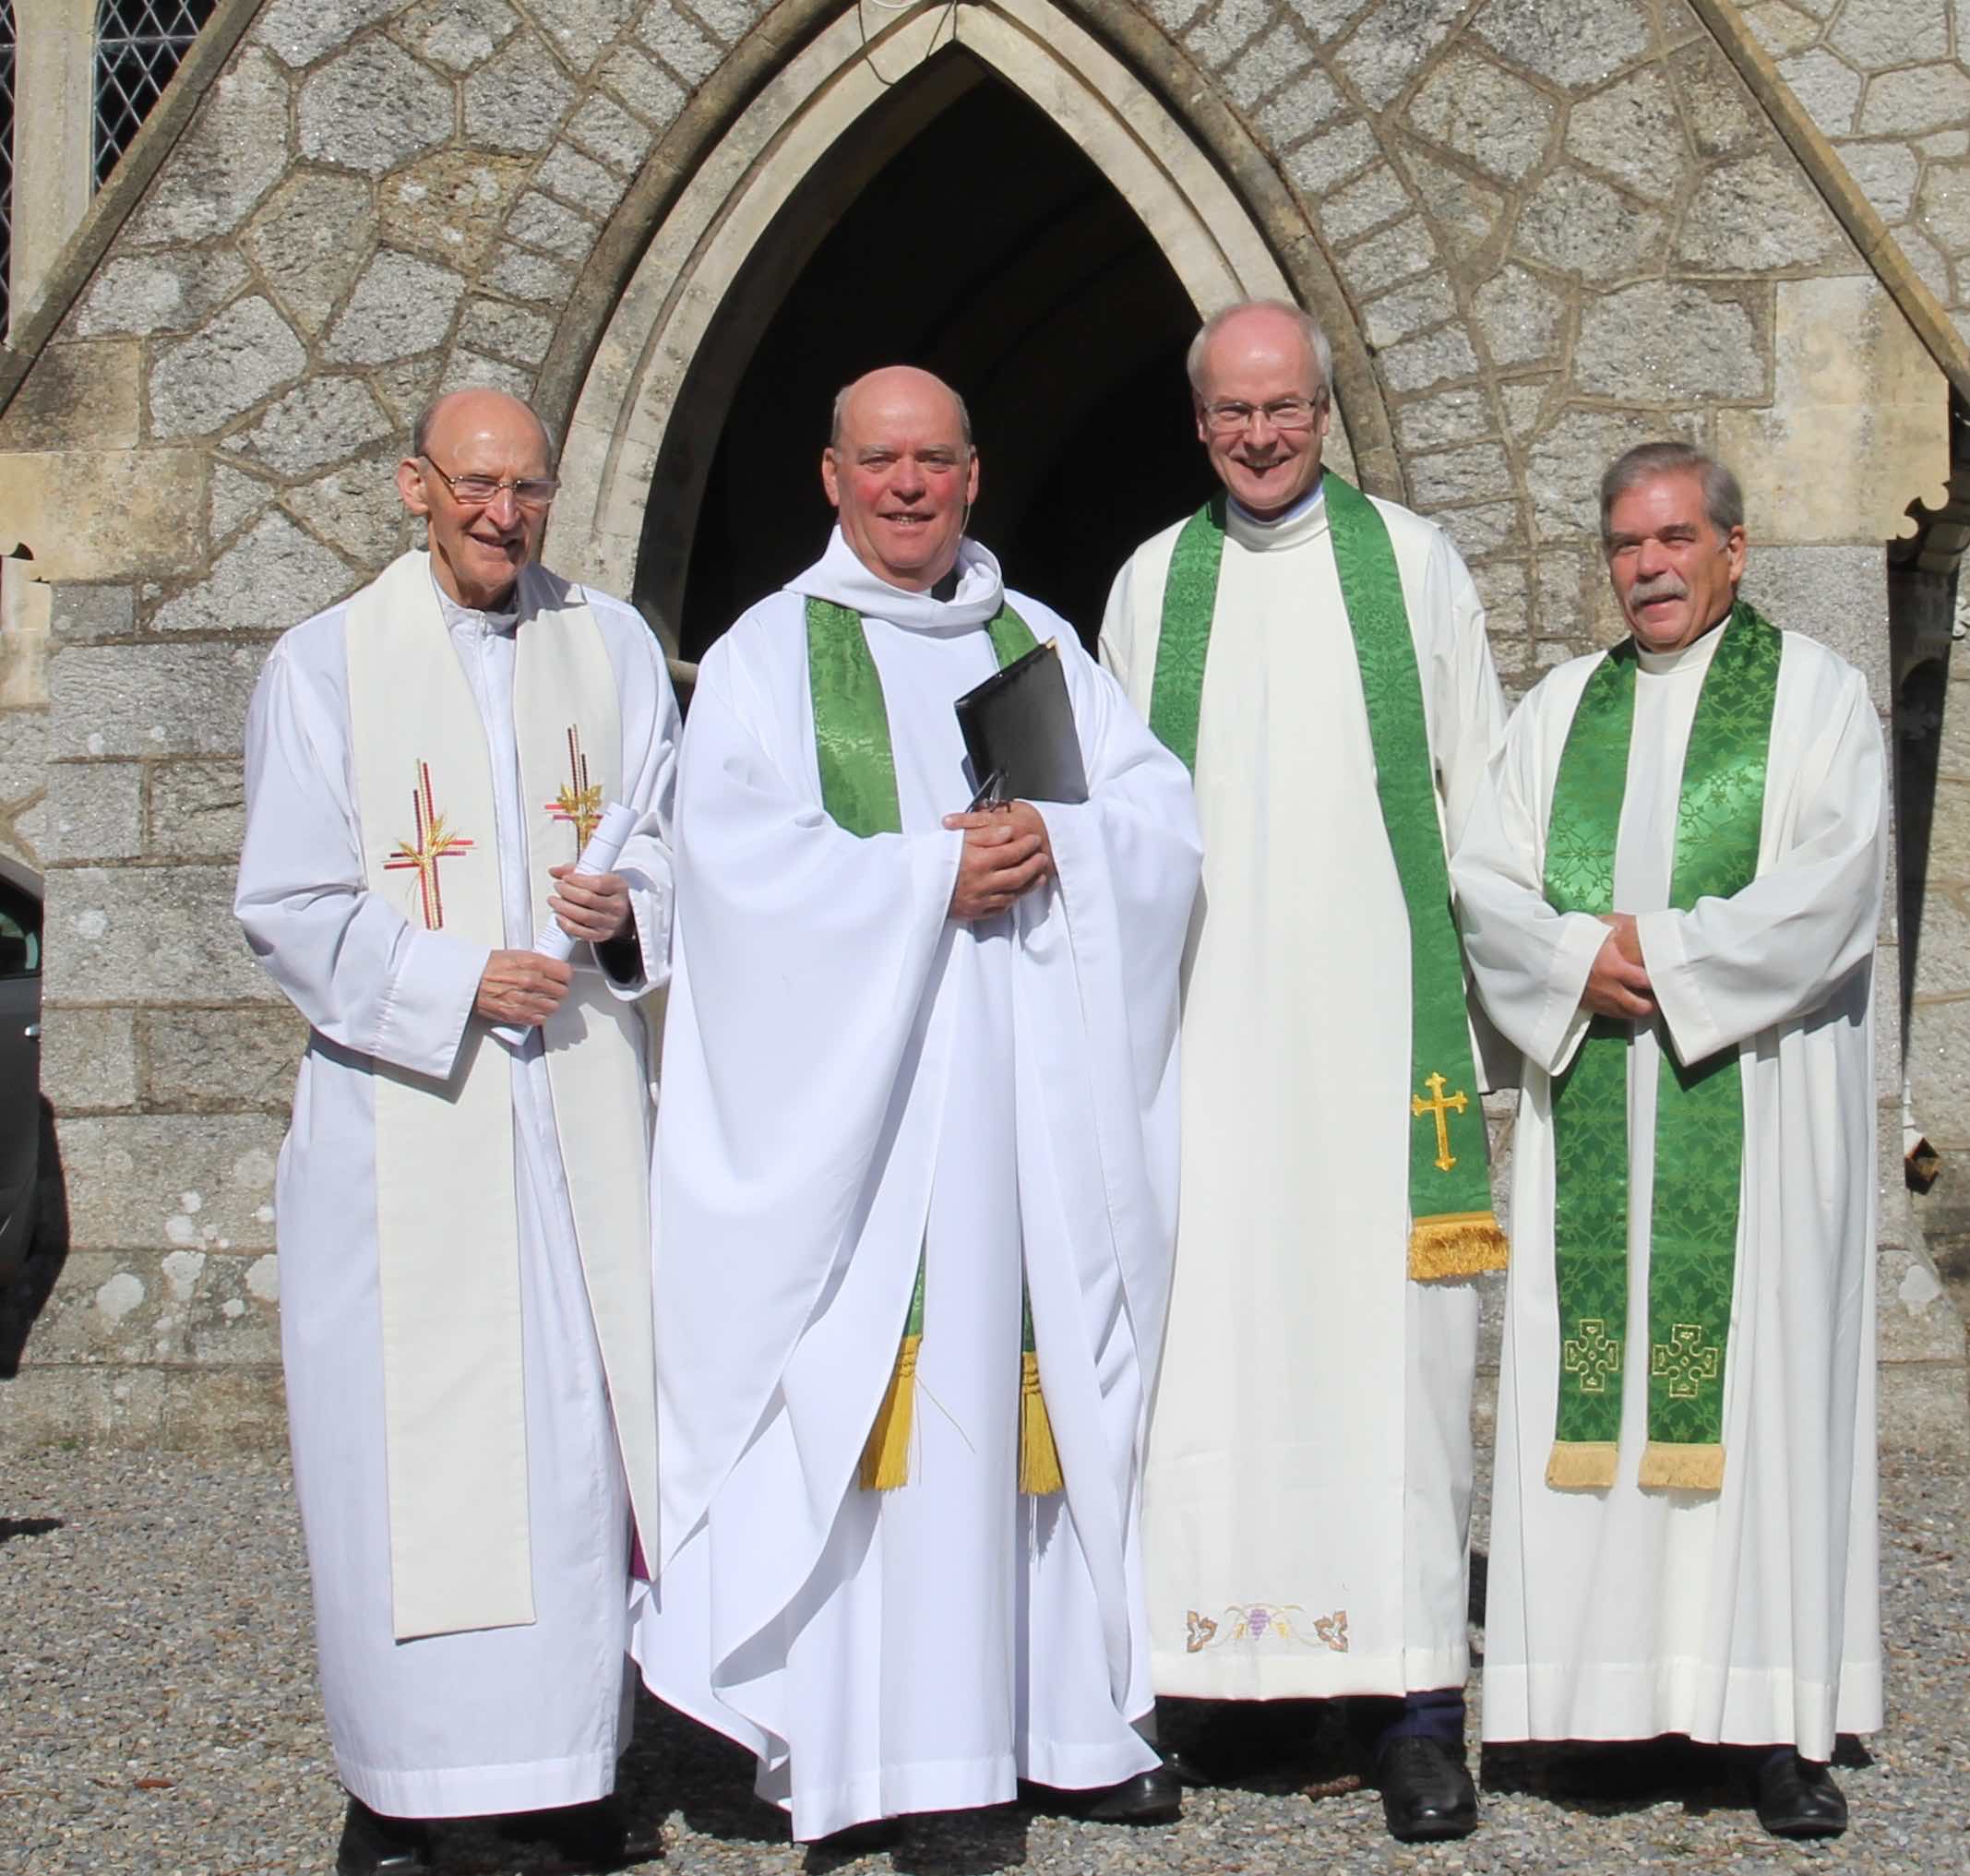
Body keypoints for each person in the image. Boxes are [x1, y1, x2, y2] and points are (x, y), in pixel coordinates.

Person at [631, 366, 1201, 1846]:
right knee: (900, 1417)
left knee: (1044, 1396)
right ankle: (902, 1759)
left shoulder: (1042, 642)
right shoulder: (768, 655)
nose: (906, 487)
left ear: (972, 474)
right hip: (867, 1129)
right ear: (832, 476)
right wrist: (924, 877)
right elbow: (735, 869)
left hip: (1025, 1109)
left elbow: (1159, 830)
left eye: (933, 463)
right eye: (879, 462)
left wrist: (1059, 839)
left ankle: (1066, 1720)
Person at [234, 388, 678, 1876]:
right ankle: (413, 1791)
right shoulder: (324, 668)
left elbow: (676, 842)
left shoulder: (608, 648)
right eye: (477, 486)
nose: (505, 513)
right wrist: (452, 977)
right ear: (416, 488)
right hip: (411, 1113)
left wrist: (629, 918)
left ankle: (564, 1779)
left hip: (580, 1111)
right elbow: (289, 904)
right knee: (414, 1459)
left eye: (529, 487)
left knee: (573, 1454)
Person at [1099, 301, 1508, 1842]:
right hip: (1205, 1048)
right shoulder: (1154, 583)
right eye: (1229, 414)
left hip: (1377, 1047)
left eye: (1283, 409)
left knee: (1387, 1367)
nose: (1259, 436)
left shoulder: (1415, 567)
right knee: (1205, 1354)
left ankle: (1409, 1701)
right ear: (1197, 420)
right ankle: (1195, 1675)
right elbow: (1117, 823)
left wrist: (1498, 1022)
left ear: (1325, 412)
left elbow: (1480, 800)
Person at [1451, 441, 1884, 1841]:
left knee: (1761, 1386)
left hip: (1749, 1106)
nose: (1650, 567)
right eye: (1627, 545)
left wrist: (1676, 960)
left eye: (1676, 540)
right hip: (1600, 1104)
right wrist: (1576, 957)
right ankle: (1593, 1701)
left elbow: (1835, 883)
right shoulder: (1560, 706)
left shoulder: (1815, 697)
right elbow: (1484, 874)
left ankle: (1770, 1719)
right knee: (1600, 1395)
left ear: (1734, 551)